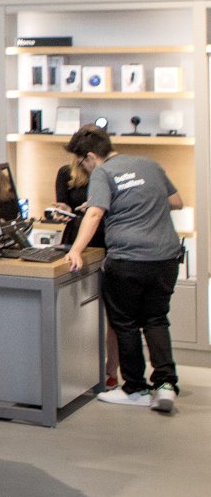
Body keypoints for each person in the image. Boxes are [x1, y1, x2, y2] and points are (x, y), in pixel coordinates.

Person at [66, 126, 183, 413]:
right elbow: (176, 202)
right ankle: (165, 386)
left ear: (90, 157)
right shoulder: (150, 164)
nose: (83, 168)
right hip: (165, 258)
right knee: (156, 319)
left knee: (126, 323)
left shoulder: (103, 173)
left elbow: (95, 213)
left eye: (81, 162)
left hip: (128, 259)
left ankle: (135, 389)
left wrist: (76, 249)